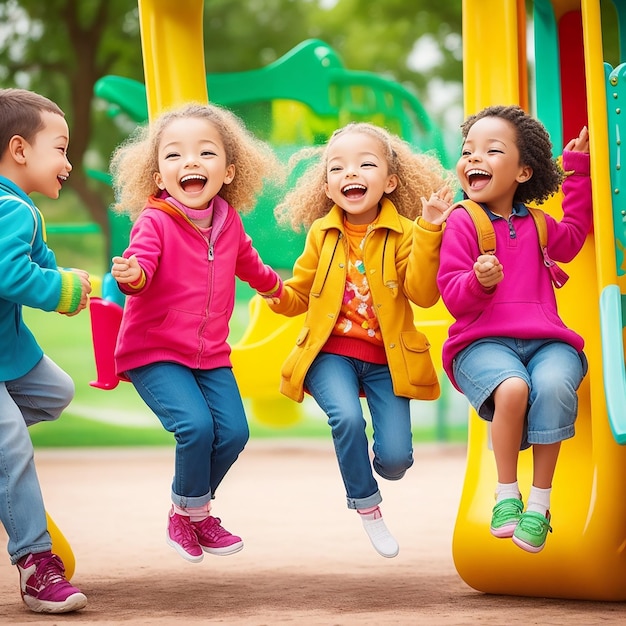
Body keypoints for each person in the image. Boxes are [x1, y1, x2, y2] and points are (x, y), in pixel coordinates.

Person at [265, 122, 454, 558]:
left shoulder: (408, 232)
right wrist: (273, 291)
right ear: (328, 187)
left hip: (389, 359)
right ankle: (367, 507)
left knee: (396, 460)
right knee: (346, 420)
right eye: (337, 167)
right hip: (331, 353)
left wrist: (428, 231)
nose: (351, 173)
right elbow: (298, 294)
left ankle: (381, 472)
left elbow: (423, 295)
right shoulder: (321, 234)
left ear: (389, 181)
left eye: (365, 164)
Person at [109, 102, 283, 564]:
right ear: (157, 174)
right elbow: (142, 265)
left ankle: (191, 512)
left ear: (228, 171)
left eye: (206, 153)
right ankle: (189, 514)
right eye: (174, 155)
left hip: (210, 354)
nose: (190, 162)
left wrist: (276, 289)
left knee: (234, 433)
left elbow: (249, 263)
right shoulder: (155, 221)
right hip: (154, 350)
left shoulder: (228, 219)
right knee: (196, 427)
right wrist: (132, 276)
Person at [437, 105, 591, 553]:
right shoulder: (463, 220)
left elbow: (576, 234)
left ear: (524, 171)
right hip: (481, 343)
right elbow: (453, 295)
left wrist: (577, 170)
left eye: (491, 150)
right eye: (468, 151)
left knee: (556, 380)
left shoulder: (540, 226)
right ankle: (507, 494)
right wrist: (479, 281)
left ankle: (540, 505)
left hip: (547, 341)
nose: (474, 159)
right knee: (511, 389)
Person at [0, 88, 91, 613]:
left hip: (8, 352)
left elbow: (40, 261)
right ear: (19, 149)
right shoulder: (8, 208)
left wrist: (76, 282)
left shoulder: (21, 207)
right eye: (59, 148)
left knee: (54, 391)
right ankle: (37, 565)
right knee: (10, 442)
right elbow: (9, 273)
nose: (68, 161)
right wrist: (62, 291)